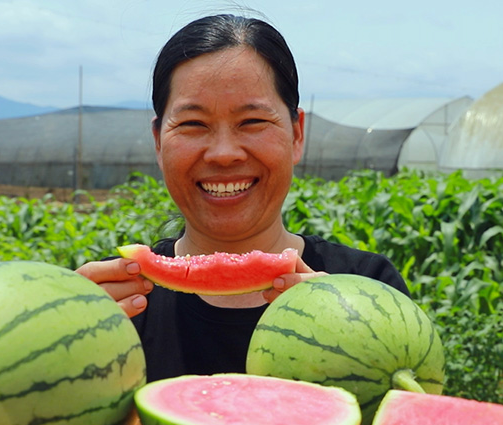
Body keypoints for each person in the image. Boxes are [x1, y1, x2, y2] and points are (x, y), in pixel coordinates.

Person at [76, 13, 408, 382]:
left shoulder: (370, 287)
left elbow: (404, 422)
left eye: (251, 122)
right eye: (193, 124)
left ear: (297, 135)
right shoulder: (113, 300)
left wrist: (354, 332)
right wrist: (56, 345)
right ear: (158, 141)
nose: (223, 153)